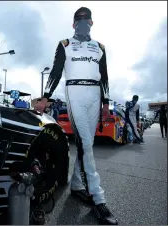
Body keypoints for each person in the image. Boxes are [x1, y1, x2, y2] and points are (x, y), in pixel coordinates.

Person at [34, 7, 118, 225]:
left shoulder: (100, 47)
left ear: (91, 22)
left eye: (86, 19)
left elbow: (105, 76)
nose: (82, 22)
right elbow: (55, 71)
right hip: (75, 92)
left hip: (95, 94)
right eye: (78, 19)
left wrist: (106, 102)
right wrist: (45, 97)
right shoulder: (65, 44)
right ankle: (98, 198)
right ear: (73, 24)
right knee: (87, 145)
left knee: (85, 144)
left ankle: (78, 185)